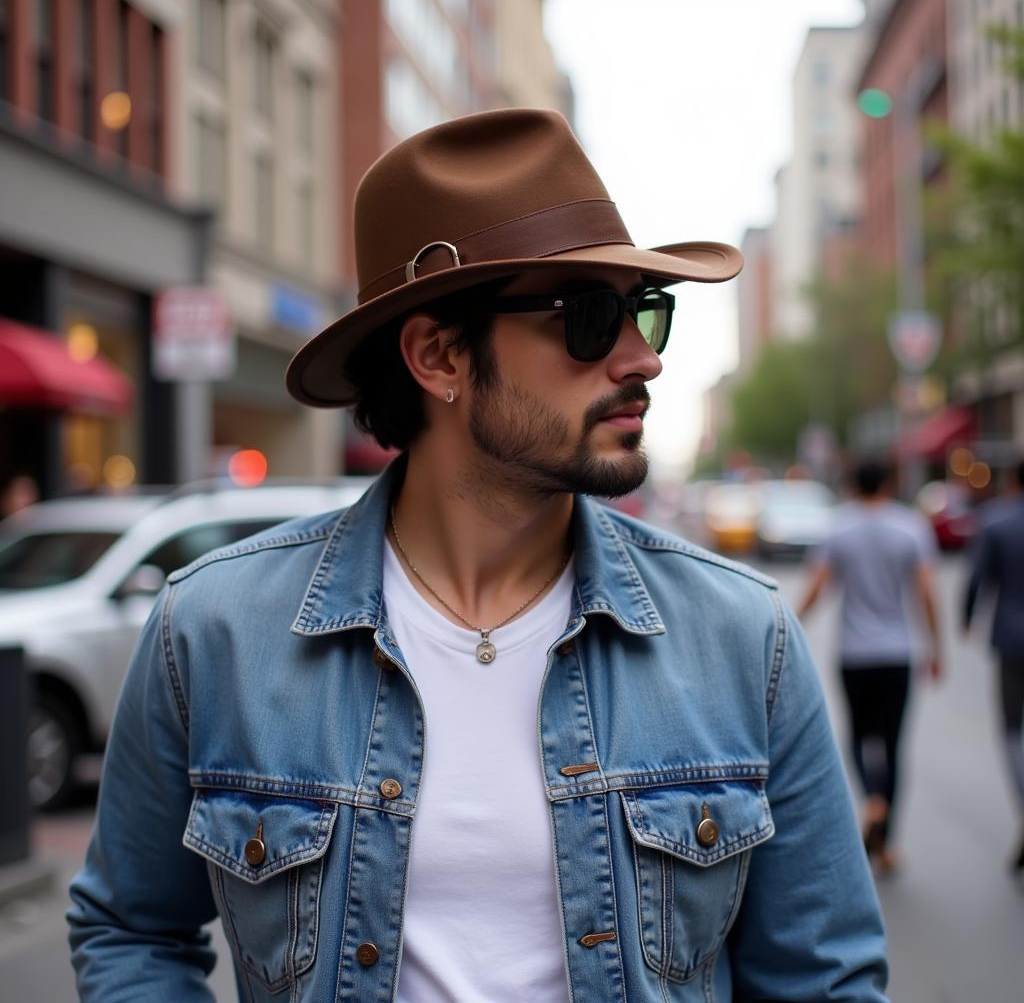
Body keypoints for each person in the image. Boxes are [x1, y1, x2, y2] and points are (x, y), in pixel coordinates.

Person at [68, 109, 887, 1002]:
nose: (641, 358)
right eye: (589, 317)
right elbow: (131, 928)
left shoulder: (740, 636)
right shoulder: (217, 630)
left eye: (646, 310)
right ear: (438, 356)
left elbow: (825, 979)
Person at [799, 458, 942, 874]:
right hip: (898, 653)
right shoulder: (911, 526)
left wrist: (790, 624)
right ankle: (888, 842)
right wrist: (936, 648)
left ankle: (872, 801)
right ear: (890, 482)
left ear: (852, 484)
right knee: (894, 744)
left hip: (854, 654)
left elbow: (819, 587)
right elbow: (927, 594)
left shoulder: (838, 528)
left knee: (859, 737)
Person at [963, 458, 1024, 873]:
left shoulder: (997, 523)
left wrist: (965, 619)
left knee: (1013, 730)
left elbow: (976, 578)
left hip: (1012, 640)